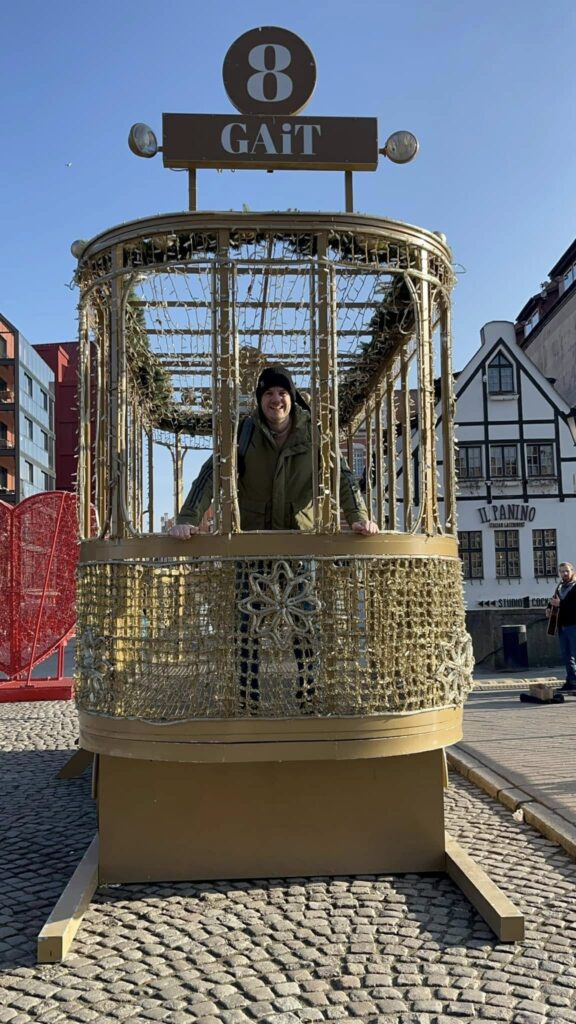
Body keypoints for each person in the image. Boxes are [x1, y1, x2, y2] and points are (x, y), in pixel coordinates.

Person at [170, 364, 378, 711]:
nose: (275, 399)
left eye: (281, 392)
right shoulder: (244, 433)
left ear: (291, 397)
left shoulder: (314, 434)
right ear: (259, 399)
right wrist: (188, 518)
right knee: (246, 625)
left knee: (305, 622)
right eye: (268, 393)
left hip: (299, 543)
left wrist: (358, 516)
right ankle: (248, 700)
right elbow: (212, 474)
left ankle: (308, 697)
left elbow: (342, 476)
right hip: (253, 542)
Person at [549, 562, 576, 694]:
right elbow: (555, 601)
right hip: (562, 625)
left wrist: (561, 604)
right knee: (567, 656)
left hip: (574, 625)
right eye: (561, 571)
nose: (564, 574)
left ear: (572, 571)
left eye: (566, 571)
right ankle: (571, 681)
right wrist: (549, 608)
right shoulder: (560, 586)